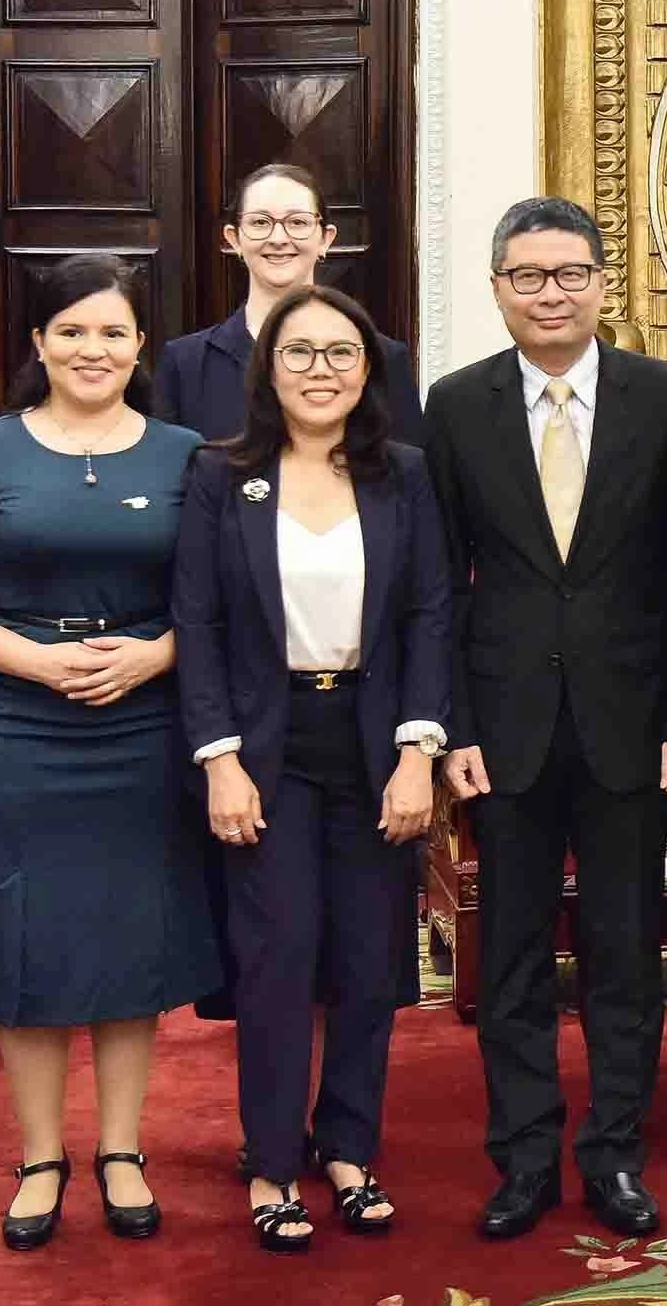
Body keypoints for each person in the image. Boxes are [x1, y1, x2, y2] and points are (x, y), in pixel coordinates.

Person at [0, 253, 222, 1251]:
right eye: (72, 331)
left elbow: (222, 596)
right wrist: (38, 663)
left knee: (131, 936)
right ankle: (41, 1156)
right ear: (38, 342)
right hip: (13, 724)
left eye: (113, 331)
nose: (93, 349)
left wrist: (155, 656)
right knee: (26, 938)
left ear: (140, 346)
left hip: (143, 724)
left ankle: (121, 1149)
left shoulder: (184, 455)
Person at [424, 197, 667, 1243]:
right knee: (509, 958)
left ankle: (616, 1153)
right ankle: (525, 1157)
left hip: (631, 722)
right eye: (529, 276)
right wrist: (452, 726)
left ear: (602, 282)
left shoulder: (664, 397)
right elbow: (439, 584)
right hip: (503, 731)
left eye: (571, 273)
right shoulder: (456, 405)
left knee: (626, 956)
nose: (551, 293)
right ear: (498, 288)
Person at [170, 284, 449, 1253]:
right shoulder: (221, 474)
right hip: (265, 747)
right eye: (300, 352)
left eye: (341, 352)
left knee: (369, 964)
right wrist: (219, 759)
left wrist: (417, 752)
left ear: (368, 370)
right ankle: (272, 1162)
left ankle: (349, 1149)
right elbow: (198, 622)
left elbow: (429, 616)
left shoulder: (403, 473)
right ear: (269, 368)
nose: (320, 369)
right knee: (277, 960)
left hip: (373, 742)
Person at [156, 162, 425, 445]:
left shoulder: (382, 358)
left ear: (326, 239)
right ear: (234, 239)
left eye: (297, 222)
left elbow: (404, 467)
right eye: (260, 223)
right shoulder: (185, 364)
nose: (278, 238)